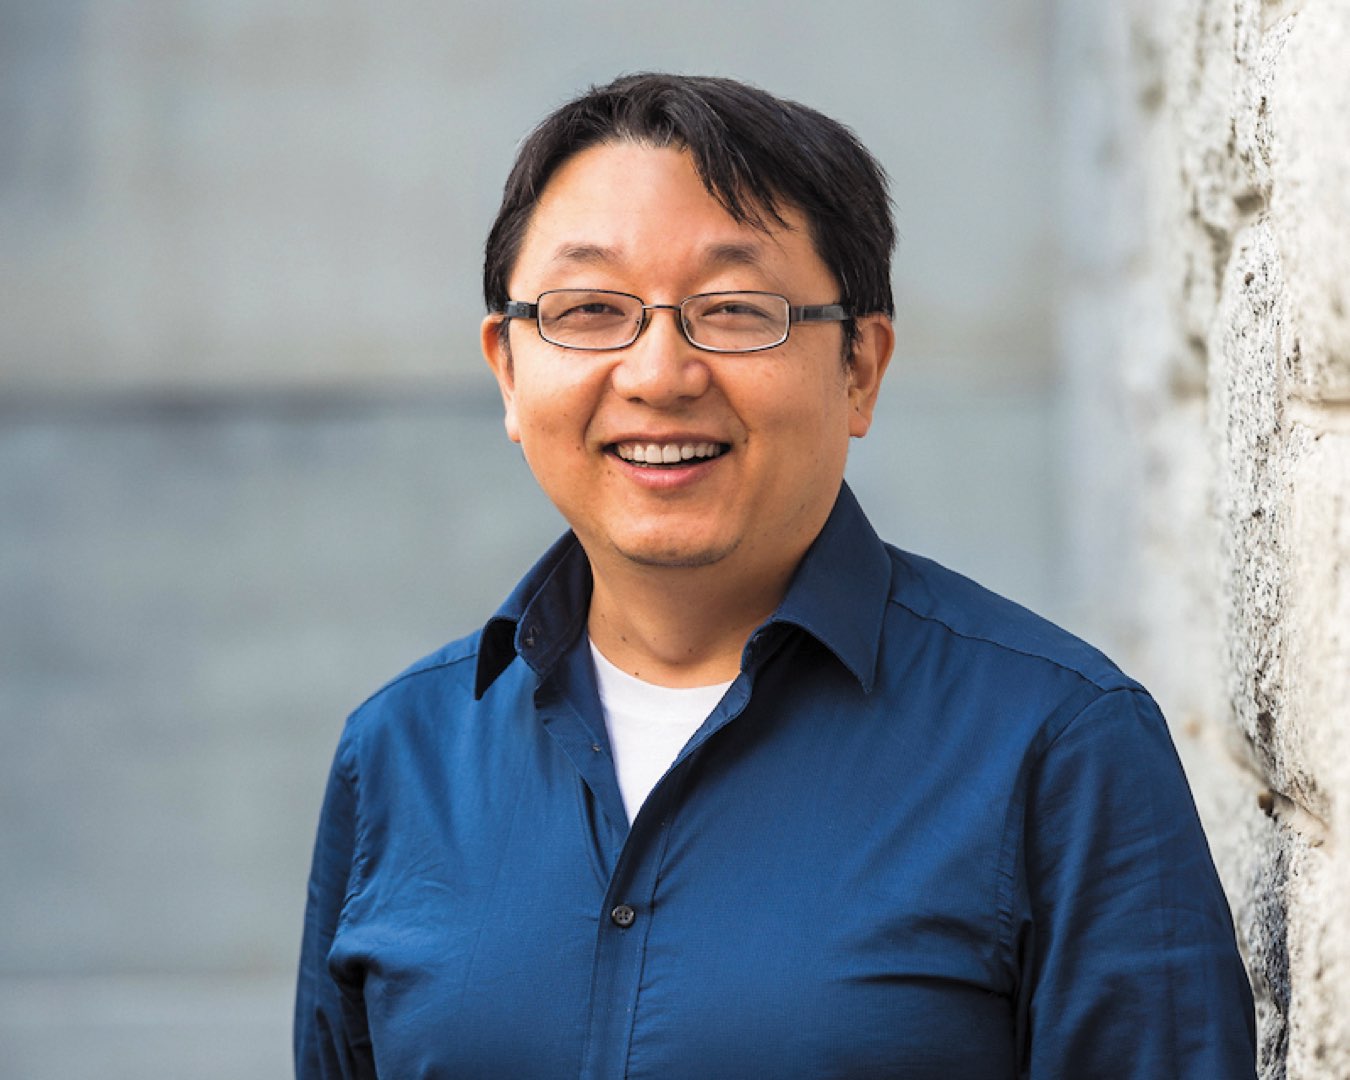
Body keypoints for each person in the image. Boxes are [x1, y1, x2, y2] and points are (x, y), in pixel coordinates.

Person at [295, 73, 1256, 1078]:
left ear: (860, 369)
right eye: (588, 310)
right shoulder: (400, 755)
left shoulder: (1059, 747)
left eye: (735, 309)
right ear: (507, 367)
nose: (659, 375)